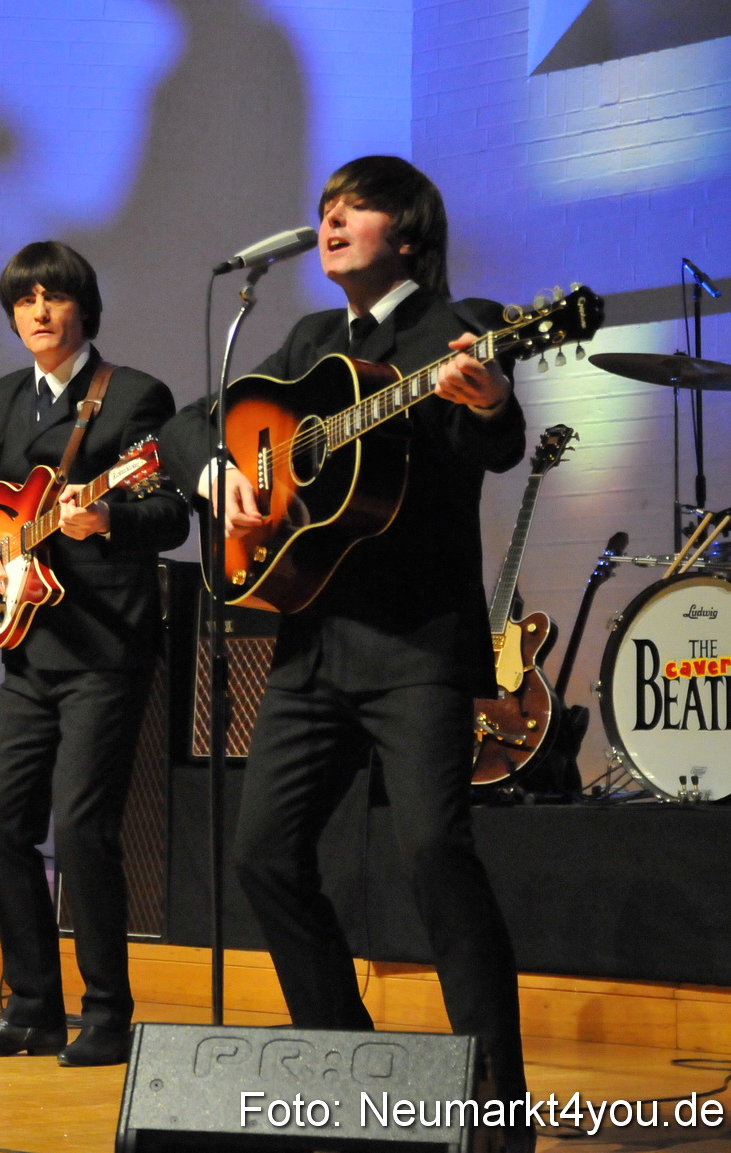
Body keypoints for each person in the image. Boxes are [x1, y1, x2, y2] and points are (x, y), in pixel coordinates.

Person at [164, 156, 531, 1126]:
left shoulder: (462, 323)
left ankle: (497, 1099)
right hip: (313, 644)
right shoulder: (312, 339)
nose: (328, 221)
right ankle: (354, 1075)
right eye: (324, 208)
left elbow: (492, 447)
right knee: (262, 854)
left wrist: (489, 401)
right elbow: (194, 425)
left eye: (354, 207)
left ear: (406, 233)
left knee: (433, 854)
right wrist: (219, 477)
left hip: (416, 642)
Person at [0, 241, 189, 1067]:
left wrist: (106, 518)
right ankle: (32, 1007)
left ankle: (107, 1012)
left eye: (53, 297)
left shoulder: (133, 398)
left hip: (107, 647)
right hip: (27, 645)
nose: (38, 311)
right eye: (23, 300)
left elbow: (172, 516)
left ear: (83, 306)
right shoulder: (8, 397)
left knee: (82, 826)